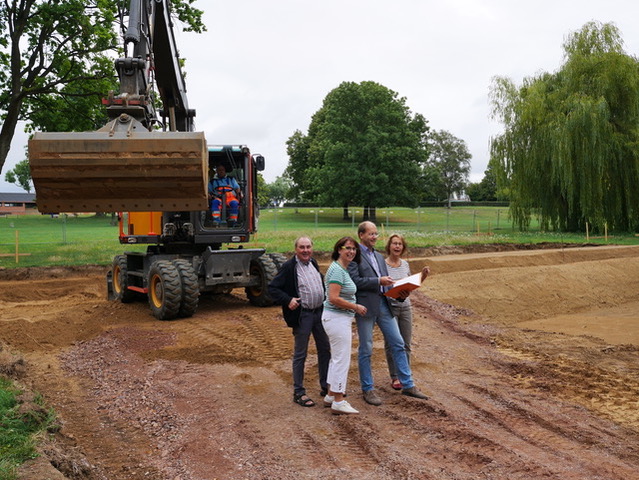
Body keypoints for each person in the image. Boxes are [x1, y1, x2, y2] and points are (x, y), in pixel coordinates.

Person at [348, 221, 429, 406]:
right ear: (361, 235)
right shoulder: (354, 256)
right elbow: (354, 281)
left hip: (384, 305)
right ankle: (367, 389)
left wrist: (402, 290)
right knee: (366, 349)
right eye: (371, 234)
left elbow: (388, 284)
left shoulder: (378, 256)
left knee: (398, 343)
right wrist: (378, 280)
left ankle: (408, 384)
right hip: (366, 307)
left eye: (376, 234)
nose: (375, 237)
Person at [268, 236, 330, 408]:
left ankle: (326, 387)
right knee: (300, 354)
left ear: (312, 248)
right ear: (296, 249)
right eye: (302, 247)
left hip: (319, 314)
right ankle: (299, 392)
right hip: (303, 316)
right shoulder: (289, 267)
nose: (305, 250)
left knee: (325, 349)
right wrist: (288, 300)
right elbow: (273, 288)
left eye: (308, 247)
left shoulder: (313, 263)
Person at [322, 236, 367, 415]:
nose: (351, 252)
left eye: (354, 249)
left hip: (337, 318)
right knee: (342, 359)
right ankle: (339, 401)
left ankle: (331, 395)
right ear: (339, 249)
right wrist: (355, 306)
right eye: (347, 248)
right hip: (337, 318)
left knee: (337, 358)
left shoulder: (341, 269)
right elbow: (333, 298)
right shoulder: (337, 271)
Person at [384, 233, 430, 390]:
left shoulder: (405, 265)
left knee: (406, 342)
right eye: (394, 243)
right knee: (391, 343)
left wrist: (423, 277)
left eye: (400, 244)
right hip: (389, 307)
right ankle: (395, 376)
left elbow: (410, 285)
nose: (397, 246)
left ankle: (405, 374)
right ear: (389, 246)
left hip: (405, 306)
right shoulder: (382, 265)